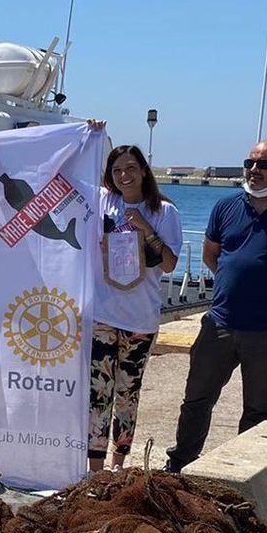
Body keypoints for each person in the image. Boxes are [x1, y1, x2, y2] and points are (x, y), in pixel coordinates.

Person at [166, 139, 267, 471]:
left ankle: (243, 471)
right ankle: (181, 463)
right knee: (197, 399)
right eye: (250, 163)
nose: (254, 170)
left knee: (258, 407)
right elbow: (211, 255)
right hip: (220, 324)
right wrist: (233, 279)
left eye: (264, 165)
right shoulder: (226, 207)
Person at [89, 144, 182, 472]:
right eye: (116, 170)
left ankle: (118, 462)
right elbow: (69, 179)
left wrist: (145, 228)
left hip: (141, 320)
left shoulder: (165, 212)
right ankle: (95, 468)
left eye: (130, 168)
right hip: (103, 315)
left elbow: (169, 264)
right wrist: (93, 134)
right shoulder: (103, 202)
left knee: (127, 394)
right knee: (98, 391)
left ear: (143, 170)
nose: (124, 175)